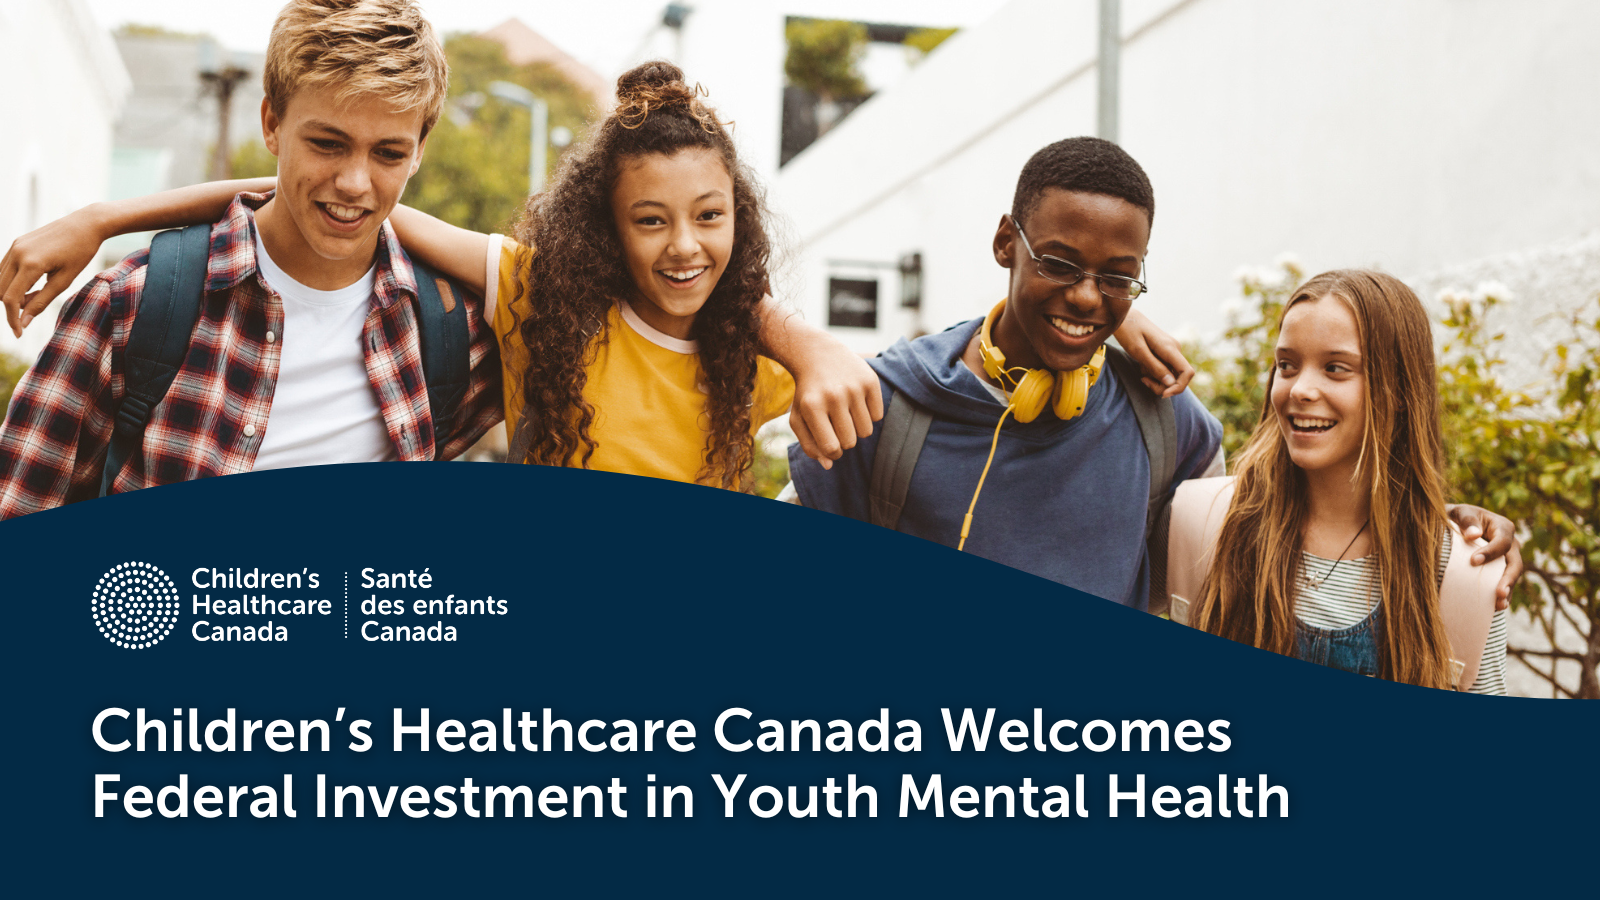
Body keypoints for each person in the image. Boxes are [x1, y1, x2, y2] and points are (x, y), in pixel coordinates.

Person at [786, 137, 1522, 609]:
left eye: (1117, 278)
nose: (1083, 297)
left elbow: (1282, 525)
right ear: (1006, 242)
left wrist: (1448, 528)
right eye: (1060, 263)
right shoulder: (887, 407)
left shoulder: (1169, 423)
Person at [0, 0, 506, 519]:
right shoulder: (132, 307)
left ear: (420, 149)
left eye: (388, 154)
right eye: (327, 144)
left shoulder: (449, 334)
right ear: (271, 123)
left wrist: (106, 218)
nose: (355, 183)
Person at [1166, 270, 1507, 692]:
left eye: (1336, 368)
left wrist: (1458, 539)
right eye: (1286, 365)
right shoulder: (1206, 524)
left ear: (1399, 389)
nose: (1300, 389)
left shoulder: (1460, 572)